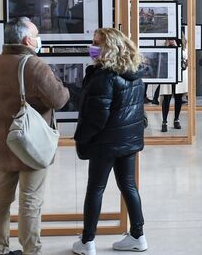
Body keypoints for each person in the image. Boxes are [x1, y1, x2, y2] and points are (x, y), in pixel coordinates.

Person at [0, 17, 70, 255]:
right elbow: (59, 100)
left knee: (0, 199)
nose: (39, 39)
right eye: (37, 34)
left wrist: (0, 131)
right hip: (32, 144)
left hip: (4, 144)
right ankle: (32, 250)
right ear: (27, 39)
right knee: (30, 202)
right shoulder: (35, 65)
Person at [72, 28, 147, 255]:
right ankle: (138, 236)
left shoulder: (103, 77)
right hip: (128, 141)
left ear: (110, 47)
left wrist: (83, 138)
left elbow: (96, 117)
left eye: (97, 43)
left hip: (105, 143)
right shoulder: (134, 73)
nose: (92, 47)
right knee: (129, 185)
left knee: (95, 188)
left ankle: (87, 241)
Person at [160, 38, 188, 132]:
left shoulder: (183, 46)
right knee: (166, 98)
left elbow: (185, 60)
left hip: (179, 75)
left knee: (178, 98)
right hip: (168, 75)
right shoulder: (164, 44)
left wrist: (176, 46)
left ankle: (176, 119)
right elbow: (161, 58)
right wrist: (167, 46)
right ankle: (164, 122)